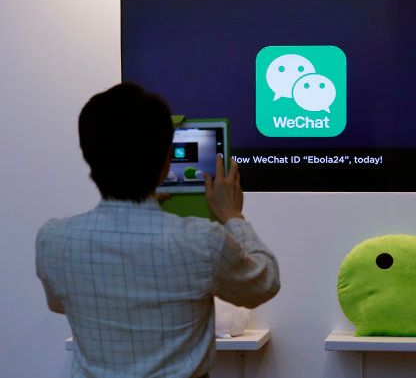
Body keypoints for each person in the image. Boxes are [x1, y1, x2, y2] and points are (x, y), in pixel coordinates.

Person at [35, 83, 280, 378]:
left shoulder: (54, 240)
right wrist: (233, 216)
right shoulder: (202, 241)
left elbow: (61, 304)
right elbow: (264, 283)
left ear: (89, 157)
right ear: (166, 161)